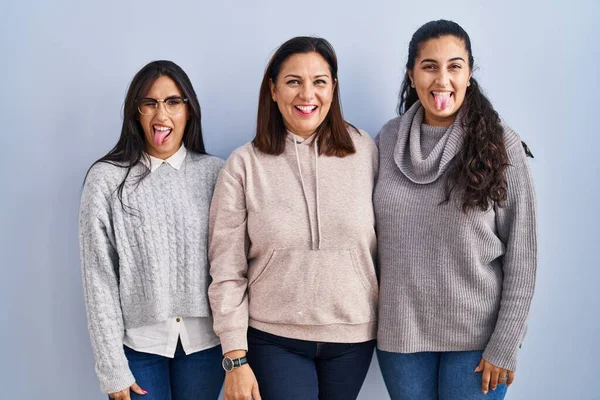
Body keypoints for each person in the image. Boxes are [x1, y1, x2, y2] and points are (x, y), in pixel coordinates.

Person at [208, 36, 378, 400]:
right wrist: (234, 358)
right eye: (293, 81)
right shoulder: (243, 165)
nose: (307, 94)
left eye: (319, 81)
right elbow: (226, 269)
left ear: (333, 87)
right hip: (274, 338)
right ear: (272, 89)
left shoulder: (366, 151)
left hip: (353, 336)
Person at [374, 20, 537, 400]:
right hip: (401, 338)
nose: (442, 79)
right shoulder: (386, 140)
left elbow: (523, 256)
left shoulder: (501, 145)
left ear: (469, 73)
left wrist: (506, 342)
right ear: (411, 75)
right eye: (429, 66)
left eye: (454, 66)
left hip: (478, 343)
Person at [79, 60, 225, 400]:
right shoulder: (107, 179)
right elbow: (98, 277)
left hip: (206, 346)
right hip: (138, 348)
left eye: (173, 102)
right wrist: (111, 366)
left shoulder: (217, 173)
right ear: (136, 112)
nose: (162, 115)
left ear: (189, 110)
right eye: (150, 103)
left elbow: (233, 266)